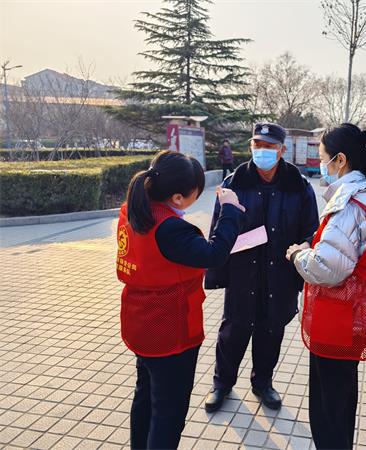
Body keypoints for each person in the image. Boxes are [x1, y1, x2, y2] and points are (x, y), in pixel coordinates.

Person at [116, 150, 245, 449]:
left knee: (145, 397)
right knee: (168, 414)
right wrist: (230, 211)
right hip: (169, 332)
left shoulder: (135, 211)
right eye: (195, 193)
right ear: (177, 197)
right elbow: (213, 254)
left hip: (140, 324)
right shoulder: (171, 229)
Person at [286, 123, 366, 450]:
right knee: (342, 395)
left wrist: (299, 254)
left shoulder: (347, 205)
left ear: (340, 160)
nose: (321, 163)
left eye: (323, 156)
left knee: (329, 406)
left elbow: (328, 269)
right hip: (354, 316)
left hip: (339, 318)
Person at [204, 122, 320, 413]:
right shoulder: (234, 182)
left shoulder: (299, 186)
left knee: (271, 330)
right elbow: (218, 228)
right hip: (243, 271)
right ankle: (222, 384)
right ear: (250, 146)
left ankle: (263, 382)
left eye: (269, 146)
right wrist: (218, 271)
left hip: (280, 273)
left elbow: (311, 230)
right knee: (233, 330)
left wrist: (304, 249)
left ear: (281, 150)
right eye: (258, 145)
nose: (262, 151)